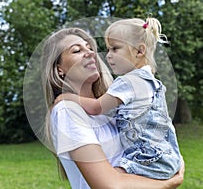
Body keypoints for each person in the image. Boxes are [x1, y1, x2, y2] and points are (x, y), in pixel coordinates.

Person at [42, 27, 184, 188]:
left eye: (90, 48)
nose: (91, 53)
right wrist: (171, 182)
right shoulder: (67, 111)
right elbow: (109, 186)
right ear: (59, 69)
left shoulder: (115, 109)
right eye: (76, 51)